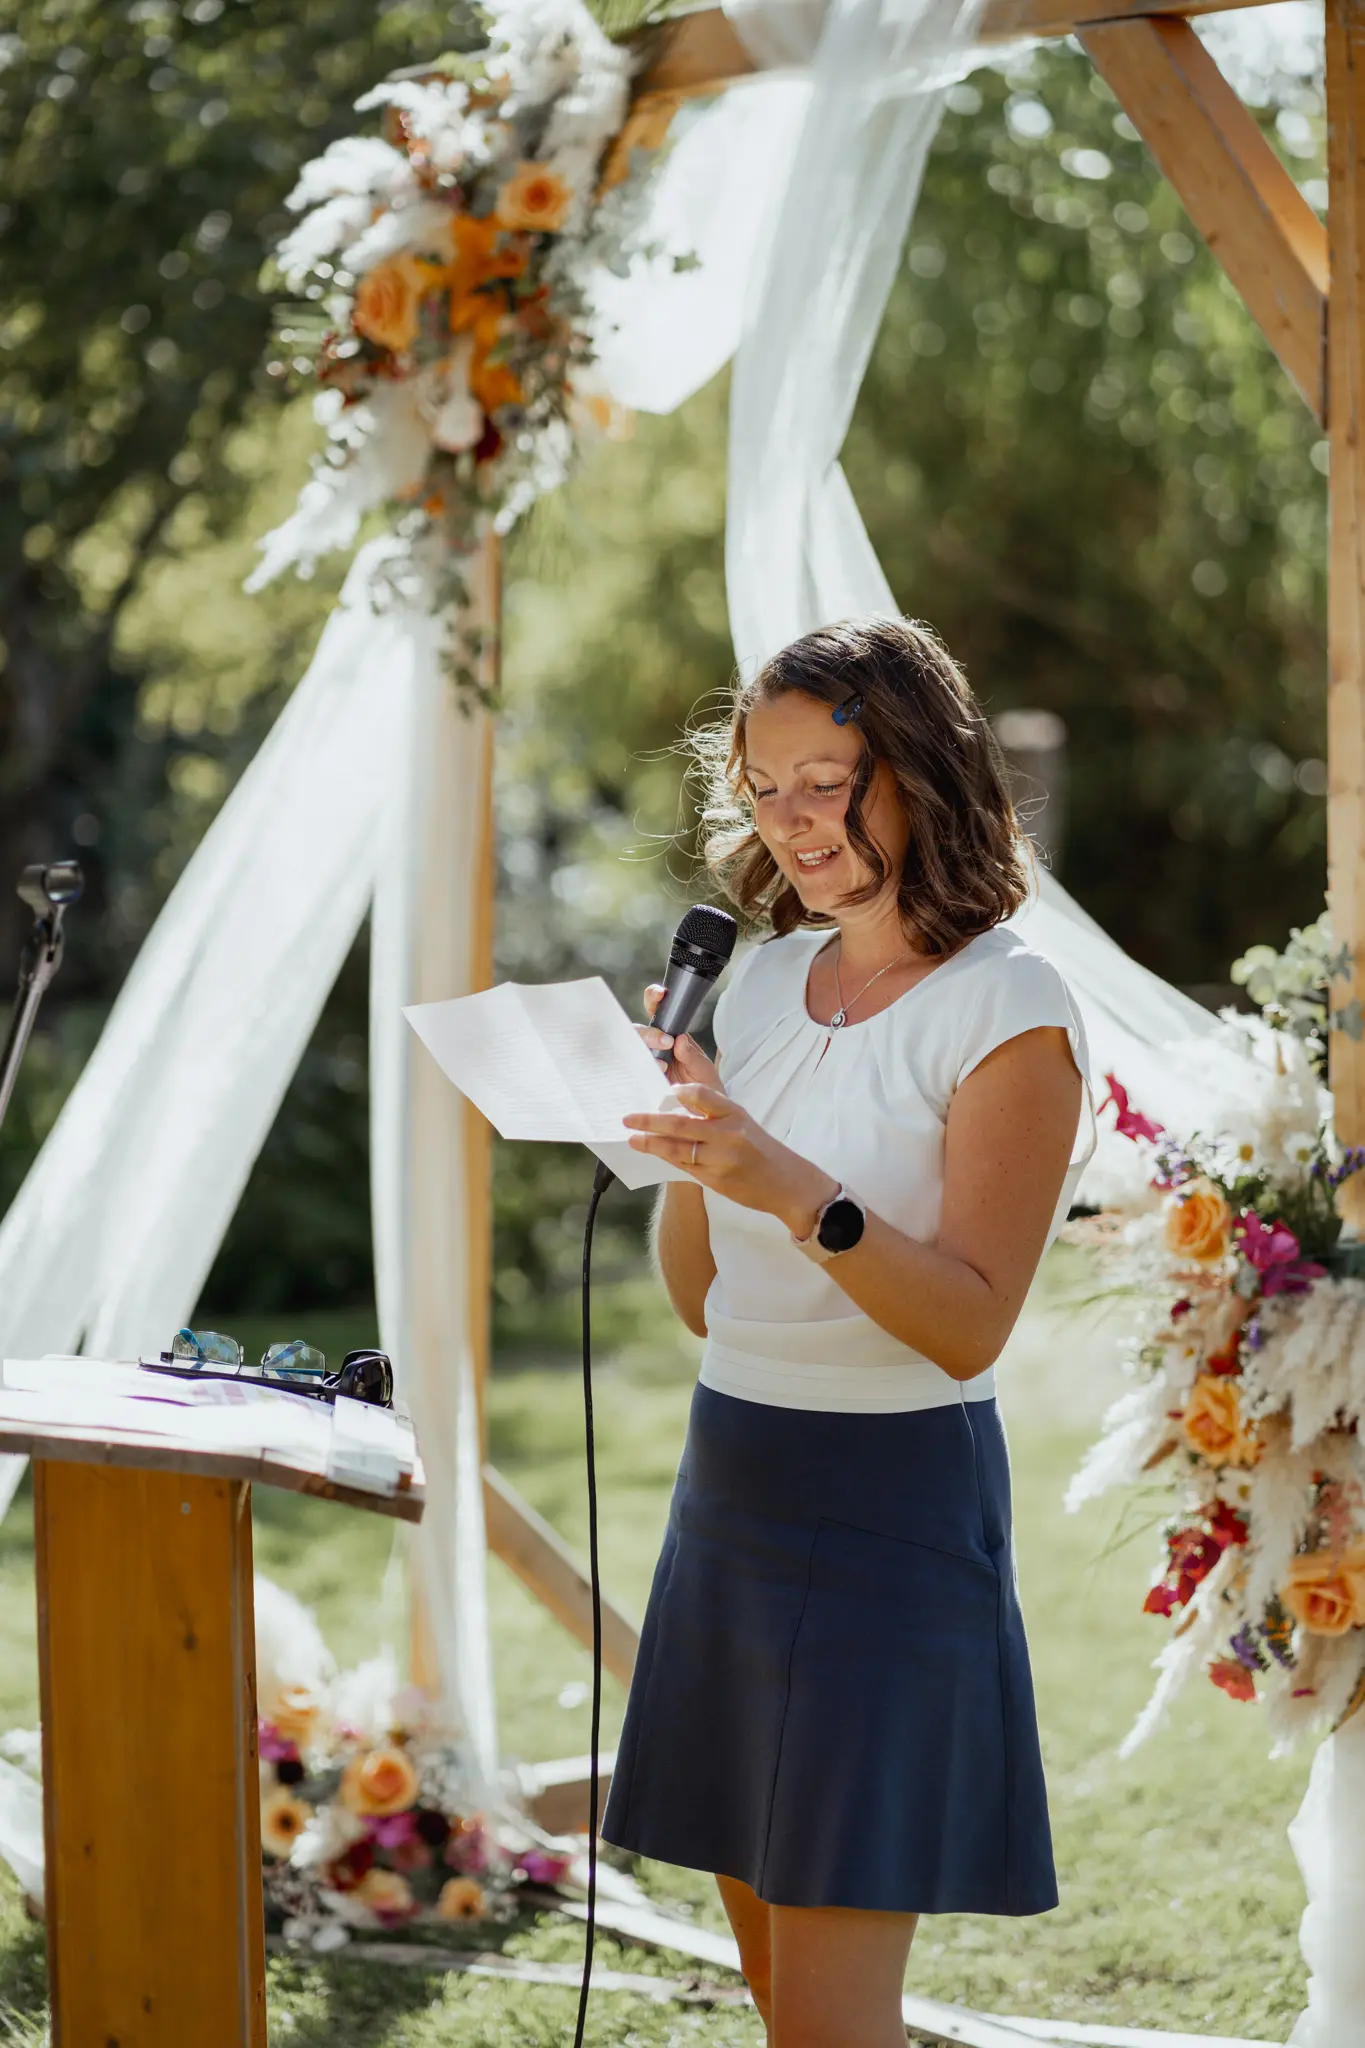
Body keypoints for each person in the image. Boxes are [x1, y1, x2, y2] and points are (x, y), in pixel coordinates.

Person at [601, 617, 1092, 2048]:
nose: (793, 819)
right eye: (764, 786)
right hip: (732, 1493)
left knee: (830, 2024)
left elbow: (970, 1326)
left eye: (827, 777)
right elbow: (704, 1302)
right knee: (778, 2001)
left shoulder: (1010, 1005)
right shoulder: (757, 983)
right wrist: (694, 1139)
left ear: (920, 768)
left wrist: (790, 1185)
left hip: (889, 1516)